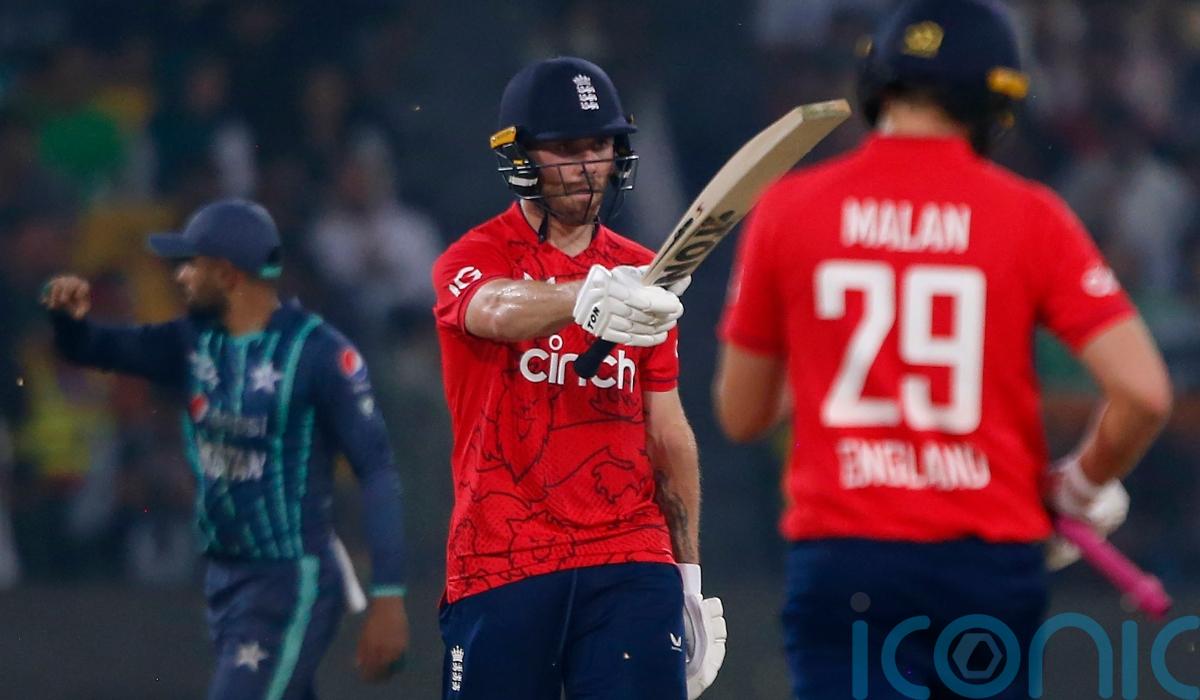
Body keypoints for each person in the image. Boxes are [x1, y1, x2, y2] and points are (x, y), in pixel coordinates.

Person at [713, 1, 1173, 698]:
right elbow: (1144, 394)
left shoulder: (790, 209)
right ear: (998, 101)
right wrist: (1078, 489)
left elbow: (743, 414)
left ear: (876, 84)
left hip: (847, 558)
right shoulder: (1032, 217)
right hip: (985, 564)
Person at [431, 56, 726, 700]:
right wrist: (584, 295)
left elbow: (666, 430)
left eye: (599, 146)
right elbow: (492, 309)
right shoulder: (473, 257)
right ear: (521, 157)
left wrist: (688, 580)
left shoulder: (645, 273)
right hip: (501, 558)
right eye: (566, 150)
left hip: (629, 557)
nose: (588, 166)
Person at [42, 198, 410, 700]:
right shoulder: (192, 342)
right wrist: (68, 322)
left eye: (191, 265)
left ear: (227, 274)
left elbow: (377, 469)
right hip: (225, 578)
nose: (181, 276)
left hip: (291, 577)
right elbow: (96, 348)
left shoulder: (318, 354)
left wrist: (388, 595)